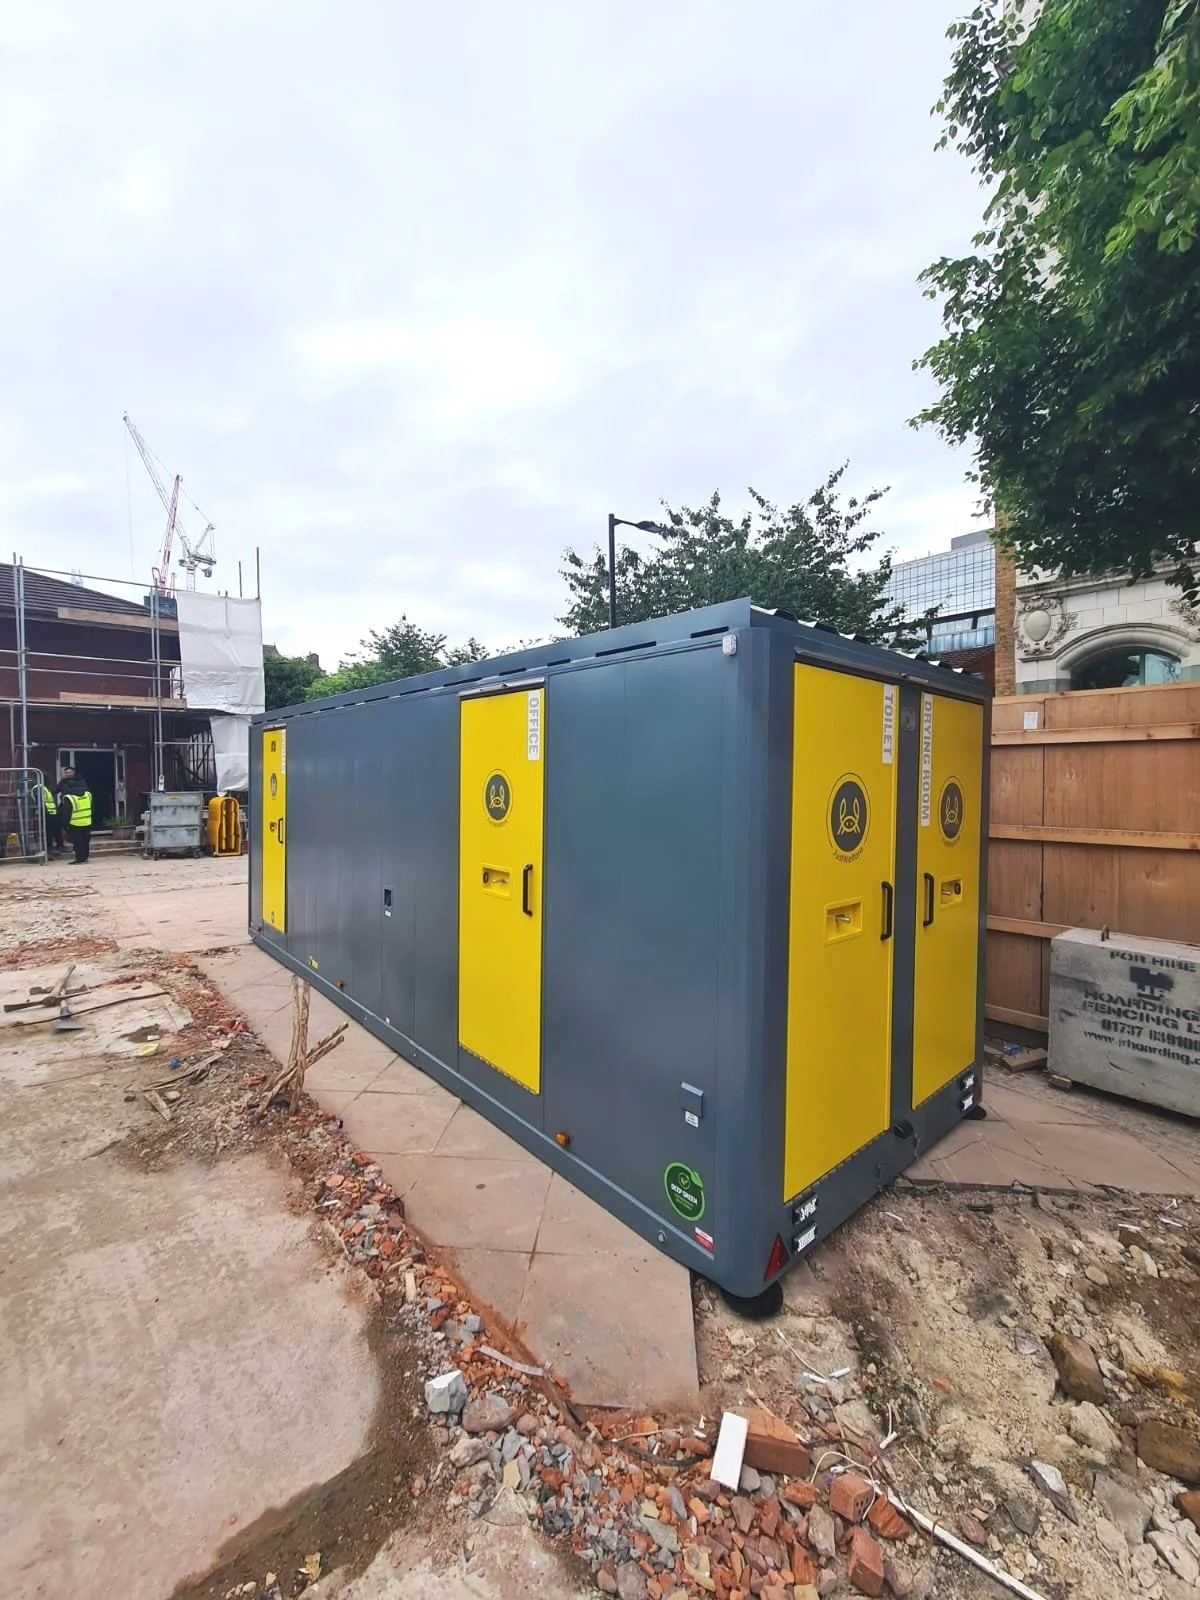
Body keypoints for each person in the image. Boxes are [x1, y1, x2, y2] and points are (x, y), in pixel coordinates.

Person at [59, 768, 93, 865]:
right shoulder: (87, 794)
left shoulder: (69, 798)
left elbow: (66, 813)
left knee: (77, 842)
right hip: (87, 821)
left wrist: (65, 825)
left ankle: (80, 858)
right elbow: (92, 807)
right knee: (86, 841)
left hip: (74, 823)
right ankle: (85, 857)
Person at [32, 773, 63, 856]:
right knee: (48, 832)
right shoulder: (39, 788)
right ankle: (49, 849)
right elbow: (40, 801)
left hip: (51, 813)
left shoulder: (45, 788)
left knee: (55, 830)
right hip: (46, 813)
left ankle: (59, 845)